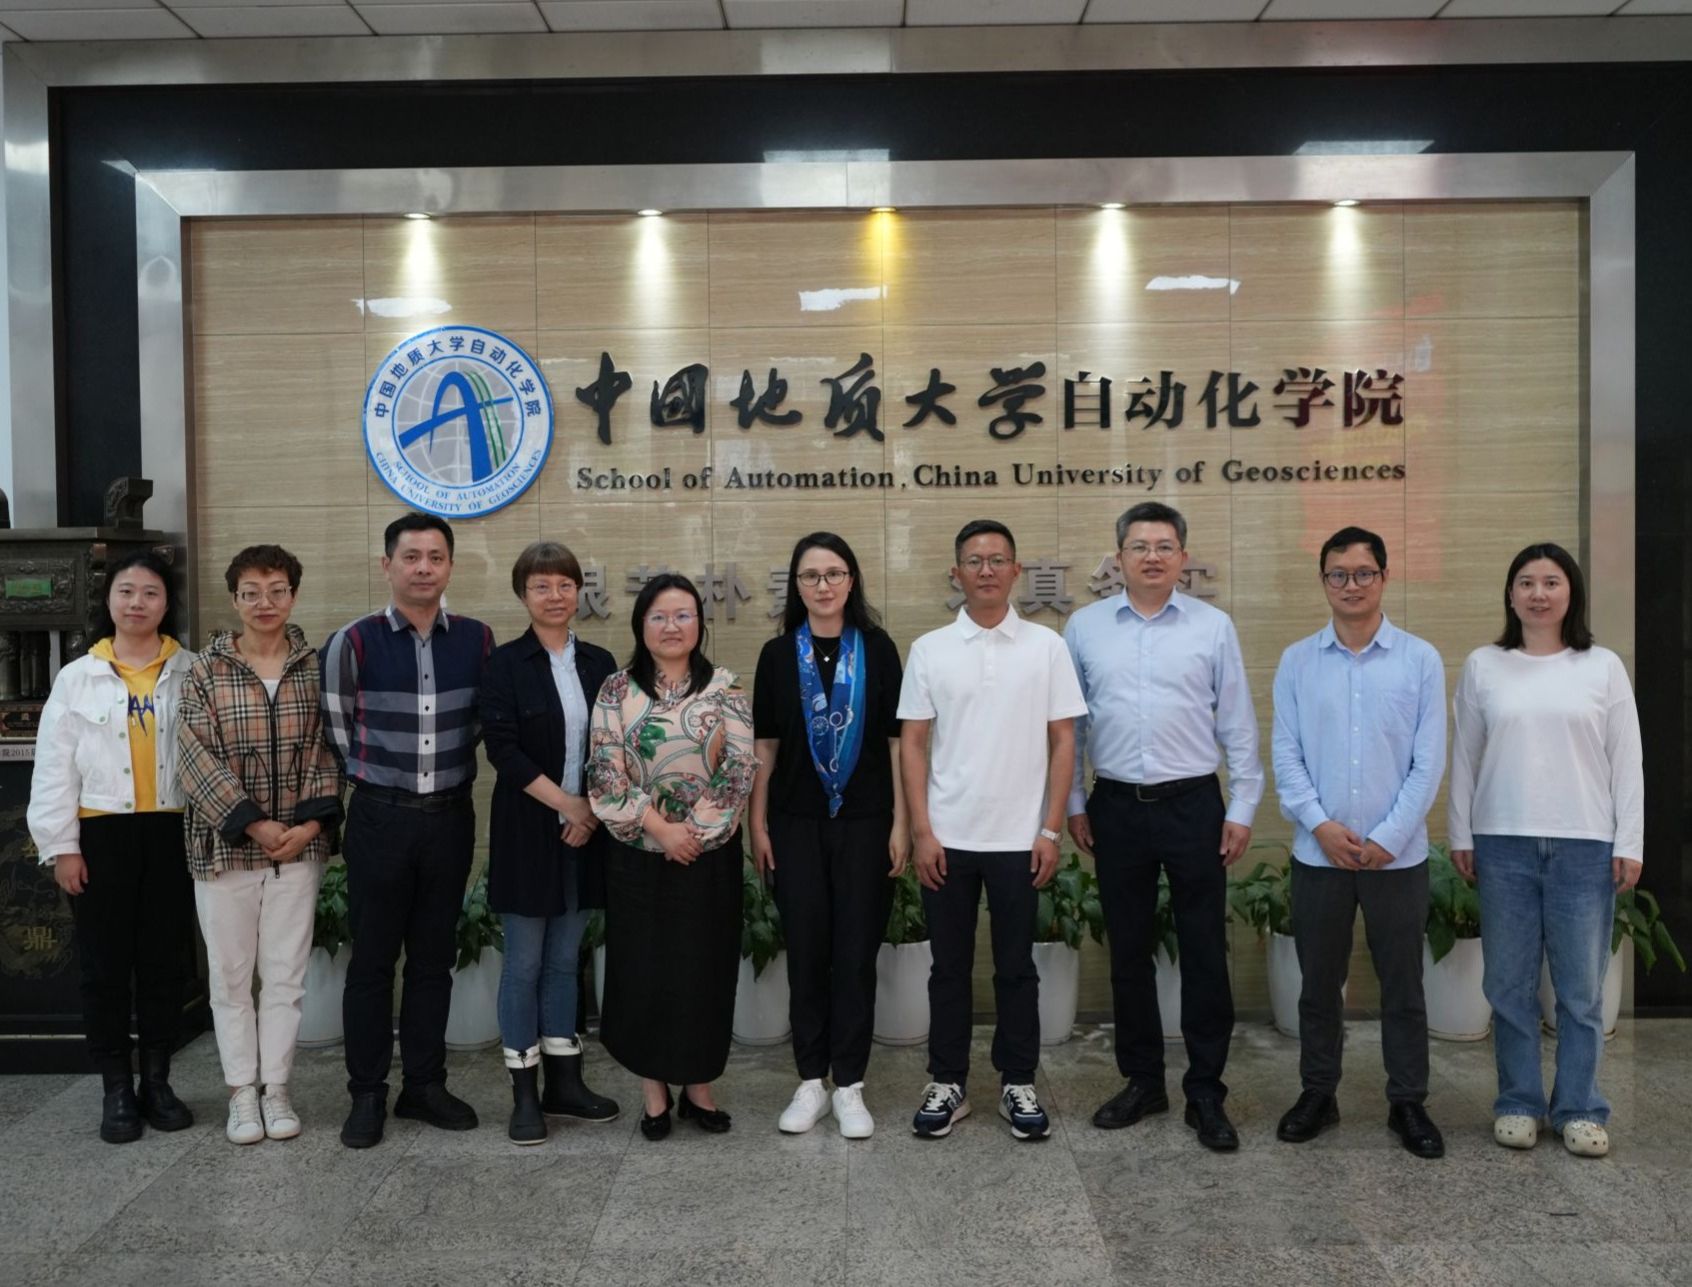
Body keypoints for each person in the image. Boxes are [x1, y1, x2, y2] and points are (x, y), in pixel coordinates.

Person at [1064, 501, 1262, 1152]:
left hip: (1194, 805)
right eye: (1139, 546)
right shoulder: (1085, 627)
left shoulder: (1212, 626)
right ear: (1118, 557)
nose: (1152, 556)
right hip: (1117, 805)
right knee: (1128, 950)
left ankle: (1206, 1091)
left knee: (1204, 949)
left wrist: (1241, 808)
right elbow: (1072, 727)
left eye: (1164, 546)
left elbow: (1237, 723)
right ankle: (1143, 1080)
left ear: (1183, 556)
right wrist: (1073, 802)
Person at [1449, 542, 1643, 1159]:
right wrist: (1461, 834)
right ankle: (1519, 1101)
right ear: (1511, 595)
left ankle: (1580, 1108)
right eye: (1526, 582)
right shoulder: (1485, 665)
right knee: (1508, 985)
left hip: (1585, 844)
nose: (1539, 593)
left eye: (1551, 582)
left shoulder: (1602, 666)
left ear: (1571, 593)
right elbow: (1465, 757)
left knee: (1580, 990)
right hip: (1502, 842)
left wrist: (1630, 840)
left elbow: (1627, 759)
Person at [898, 519, 1087, 1142]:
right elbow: (913, 744)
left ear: (1016, 571)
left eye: (997, 559)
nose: (986, 570)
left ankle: (1017, 1082)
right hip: (947, 838)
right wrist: (922, 831)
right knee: (947, 968)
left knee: (1017, 969)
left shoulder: (1046, 646)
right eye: (974, 561)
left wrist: (1050, 830)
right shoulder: (930, 649)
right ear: (956, 573)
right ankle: (947, 1082)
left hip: (1019, 840)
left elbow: (1064, 740)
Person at [1269, 527, 1446, 1158]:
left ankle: (1408, 1102)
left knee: (1403, 985)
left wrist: (1391, 836)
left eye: (1363, 573)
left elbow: (1428, 761)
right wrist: (1321, 825)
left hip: (1398, 858)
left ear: (1384, 577)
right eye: (1338, 574)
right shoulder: (1297, 661)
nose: (1351, 585)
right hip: (1319, 855)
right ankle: (1319, 1093)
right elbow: (1286, 755)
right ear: (1323, 582)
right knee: (1319, 984)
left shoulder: (1420, 660)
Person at [321, 512, 494, 1149]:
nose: (424, 568)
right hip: (380, 818)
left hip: (449, 818)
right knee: (371, 961)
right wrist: (385, 786)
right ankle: (367, 1093)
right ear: (387, 565)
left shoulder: (476, 640)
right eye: (411, 557)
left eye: (435, 557)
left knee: (432, 960)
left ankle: (423, 1085)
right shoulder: (354, 641)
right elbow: (339, 734)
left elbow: (481, 723)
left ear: (450, 566)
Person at [177, 545, 344, 1146]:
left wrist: (307, 826)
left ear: (293, 596)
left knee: (285, 976)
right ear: (235, 599)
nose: (264, 603)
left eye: (276, 590)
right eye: (251, 592)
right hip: (224, 850)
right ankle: (240, 1093)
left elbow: (331, 749)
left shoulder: (316, 667)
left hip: (297, 848)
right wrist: (252, 822)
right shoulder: (204, 670)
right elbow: (192, 754)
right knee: (229, 978)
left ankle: (277, 1088)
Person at [29, 550, 197, 1144]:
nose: (137, 603)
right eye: (126, 592)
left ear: (167, 603)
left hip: (172, 832)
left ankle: (158, 1080)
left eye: (150, 593)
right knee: (103, 967)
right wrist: (62, 846)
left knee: (163, 963)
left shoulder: (191, 671)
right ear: (109, 600)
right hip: (100, 835)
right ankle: (116, 1087)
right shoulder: (78, 677)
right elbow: (54, 768)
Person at [750, 533, 908, 1140]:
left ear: (851, 581)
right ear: (796, 585)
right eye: (811, 576)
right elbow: (765, 747)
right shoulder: (775, 655)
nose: (823, 585)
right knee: (808, 953)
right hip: (794, 824)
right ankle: (811, 1080)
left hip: (867, 823)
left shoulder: (877, 648)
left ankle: (851, 1085)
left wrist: (902, 822)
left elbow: (897, 743)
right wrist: (758, 824)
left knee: (856, 954)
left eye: (834, 573)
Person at [588, 573, 756, 1141]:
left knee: (703, 969)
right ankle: (654, 1091)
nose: (671, 626)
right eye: (658, 616)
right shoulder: (616, 689)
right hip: (638, 854)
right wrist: (661, 829)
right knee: (644, 970)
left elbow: (739, 768)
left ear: (699, 624)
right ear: (642, 624)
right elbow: (605, 768)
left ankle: (699, 1087)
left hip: (709, 857)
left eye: (683, 615)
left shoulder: (725, 686)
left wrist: (695, 834)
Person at [480, 541, 620, 1145]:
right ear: (523, 595)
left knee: (566, 961)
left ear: (578, 591)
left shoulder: (599, 662)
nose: (555, 596)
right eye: (541, 586)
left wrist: (590, 811)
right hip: (528, 830)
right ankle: (525, 1095)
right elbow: (503, 750)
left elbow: (614, 745)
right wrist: (568, 804)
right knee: (525, 963)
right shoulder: (504, 664)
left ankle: (567, 1084)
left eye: (564, 585)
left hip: (586, 831)